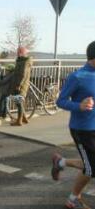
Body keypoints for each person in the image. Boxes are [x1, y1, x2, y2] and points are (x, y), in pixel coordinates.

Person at [51, 41, 95, 209]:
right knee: (91, 169)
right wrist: (79, 106)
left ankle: (60, 163)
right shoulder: (78, 77)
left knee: (90, 163)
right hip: (82, 129)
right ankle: (72, 200)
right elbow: (60, 101)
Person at [8, 47, 32, 126]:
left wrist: (19, 85)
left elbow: (23, 74)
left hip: (21, 84)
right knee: (18, 101)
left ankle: (19, 121)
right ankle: (24, 118)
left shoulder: (25, 62)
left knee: (19, 102)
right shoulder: (20, 60)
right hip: (18, 83)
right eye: (18, 51)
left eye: (19, 52)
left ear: (23, 53)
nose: (18, 53)